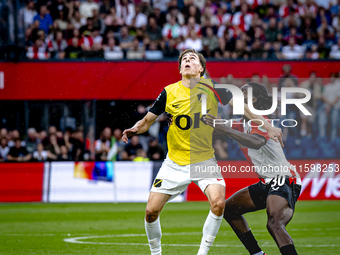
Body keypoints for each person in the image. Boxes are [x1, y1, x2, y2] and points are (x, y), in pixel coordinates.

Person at [122, 49, 283, 255]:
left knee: (218, 204)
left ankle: (202, 253)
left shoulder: (214, 89)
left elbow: (244, 108)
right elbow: (146, 122)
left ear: (200, 68)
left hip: (203, 160)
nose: (187, 61)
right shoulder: (169, 92)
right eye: (184, 60)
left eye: (192, 59)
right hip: (174, 162)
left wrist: (268, 127)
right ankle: (156, 253)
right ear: (180, 68)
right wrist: (135, 128)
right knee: (151, 212)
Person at [203, 82, 301, 255]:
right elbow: (212, 126)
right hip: (266, 182)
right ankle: (257, 254)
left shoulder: (261, 119)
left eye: (242, 92)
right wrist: (184, 121)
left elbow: (256, 142)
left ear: (253, 99)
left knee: (274, 224)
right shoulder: (241, 123)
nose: (236, 96)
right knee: (229, 210)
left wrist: (225, 129)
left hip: (284, 178)